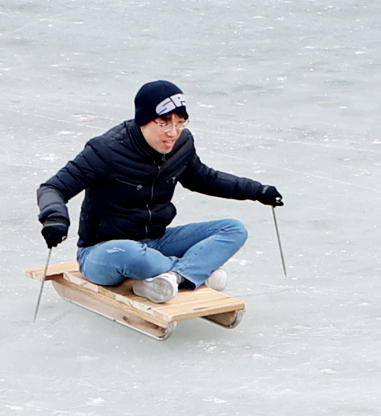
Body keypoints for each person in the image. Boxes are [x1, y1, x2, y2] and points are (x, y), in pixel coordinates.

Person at [35, 81, 280, 305]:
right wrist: (55, 217)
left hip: (157, 241)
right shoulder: (106, 150)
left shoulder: (181, 144)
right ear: (143, 120)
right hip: (105, 251)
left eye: (180, 122)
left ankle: (175, 277)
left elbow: (204, 178)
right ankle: (193, 272)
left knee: (233, 229)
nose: (173, 132)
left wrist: (258, 191)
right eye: (164, 123)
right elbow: (53, 187)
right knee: (132, 255)